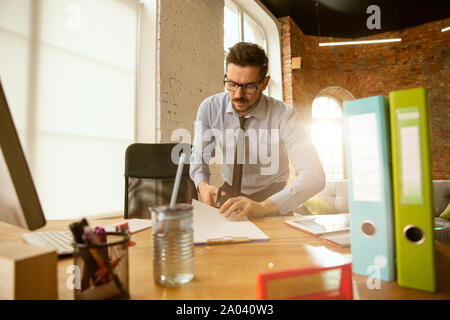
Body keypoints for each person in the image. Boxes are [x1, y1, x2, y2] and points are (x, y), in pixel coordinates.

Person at [190, 42, 325, 220]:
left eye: (249, 86)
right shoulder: (210, 108)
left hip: (272, 202)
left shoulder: (284, 116)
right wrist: (203, 186)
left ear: (265, 83)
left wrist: (263, 207)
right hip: (228, 198)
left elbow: (314, 175)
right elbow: (199, 157)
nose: (238, 94)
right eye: (231, 84)